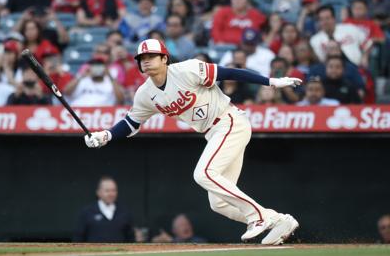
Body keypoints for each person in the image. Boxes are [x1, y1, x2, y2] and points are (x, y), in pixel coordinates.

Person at [84, 38, 301, 244]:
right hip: (213, 132)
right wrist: (106, 135)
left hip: (229, 121)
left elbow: (228, 72)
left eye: (151, 55)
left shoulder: (186, 69)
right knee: (219, 203)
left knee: (204, 173)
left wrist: (270, 81)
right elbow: (131, 123)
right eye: (142, 58)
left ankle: (259, 217)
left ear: (164, 58)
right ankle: (279, 221)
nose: (146, 60)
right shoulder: (145, 93)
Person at [74, 176, 135, 243]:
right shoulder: (87, 212)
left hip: (118, 252)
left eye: (113, 190)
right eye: (107, 191)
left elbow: (130, 238)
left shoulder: (125, 212)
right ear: (98, 192)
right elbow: (78, 238)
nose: (111, 194)